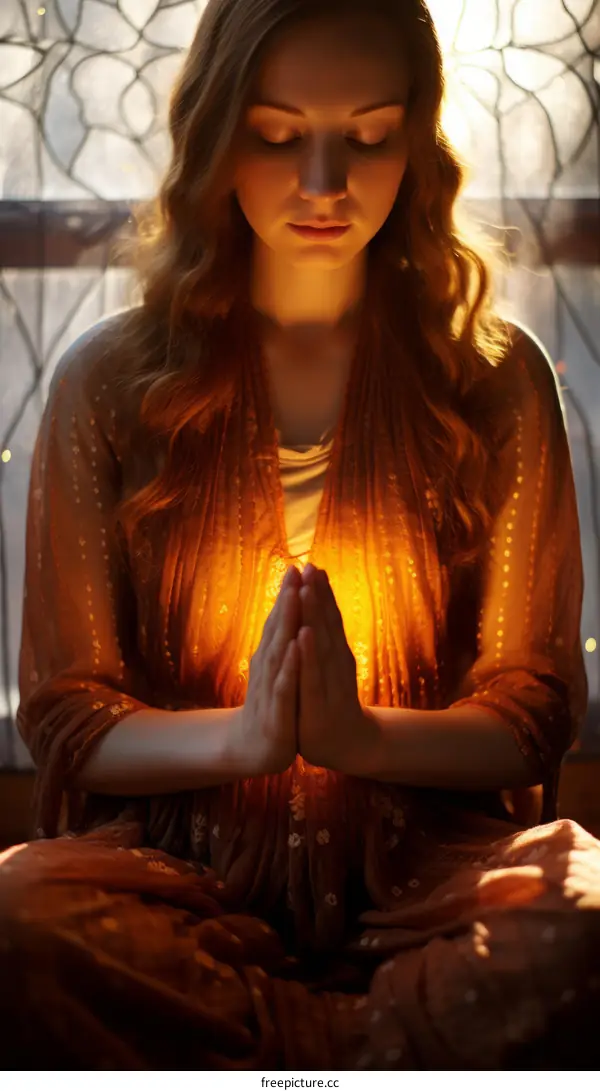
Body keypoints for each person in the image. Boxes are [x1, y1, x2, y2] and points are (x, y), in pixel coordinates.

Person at [1, 0, 599, 1071]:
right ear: (216, 133)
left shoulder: (496, 380)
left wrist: (361, 737)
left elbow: (533, 704)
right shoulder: (110, 384)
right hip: (173, 871)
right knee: (17, 926)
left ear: (417, 141)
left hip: (431, 875)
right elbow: (68, 711)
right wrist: (243, 740)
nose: (325, 185)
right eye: (278, 136)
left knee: (578, 926)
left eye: (368, 137)